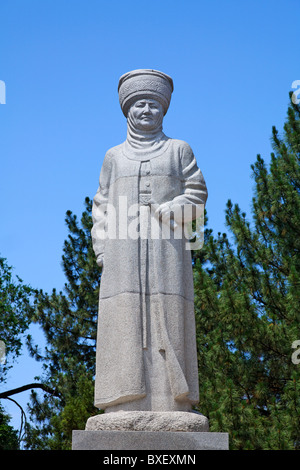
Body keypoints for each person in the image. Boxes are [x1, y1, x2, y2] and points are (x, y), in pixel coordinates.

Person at [91, 69, 208, 412]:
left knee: (169, 322)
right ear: (128, 110)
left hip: (167, 254)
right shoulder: (113, 156)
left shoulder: (178, 150)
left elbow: (197, 195)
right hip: (122, 258)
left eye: (154, 105)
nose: (146, 111)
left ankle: (171, 405)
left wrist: (168, 210)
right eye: (139, 104)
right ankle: (123, 403)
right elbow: (100, 205)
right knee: (125, 325)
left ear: (163, 110)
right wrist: (103, 250)